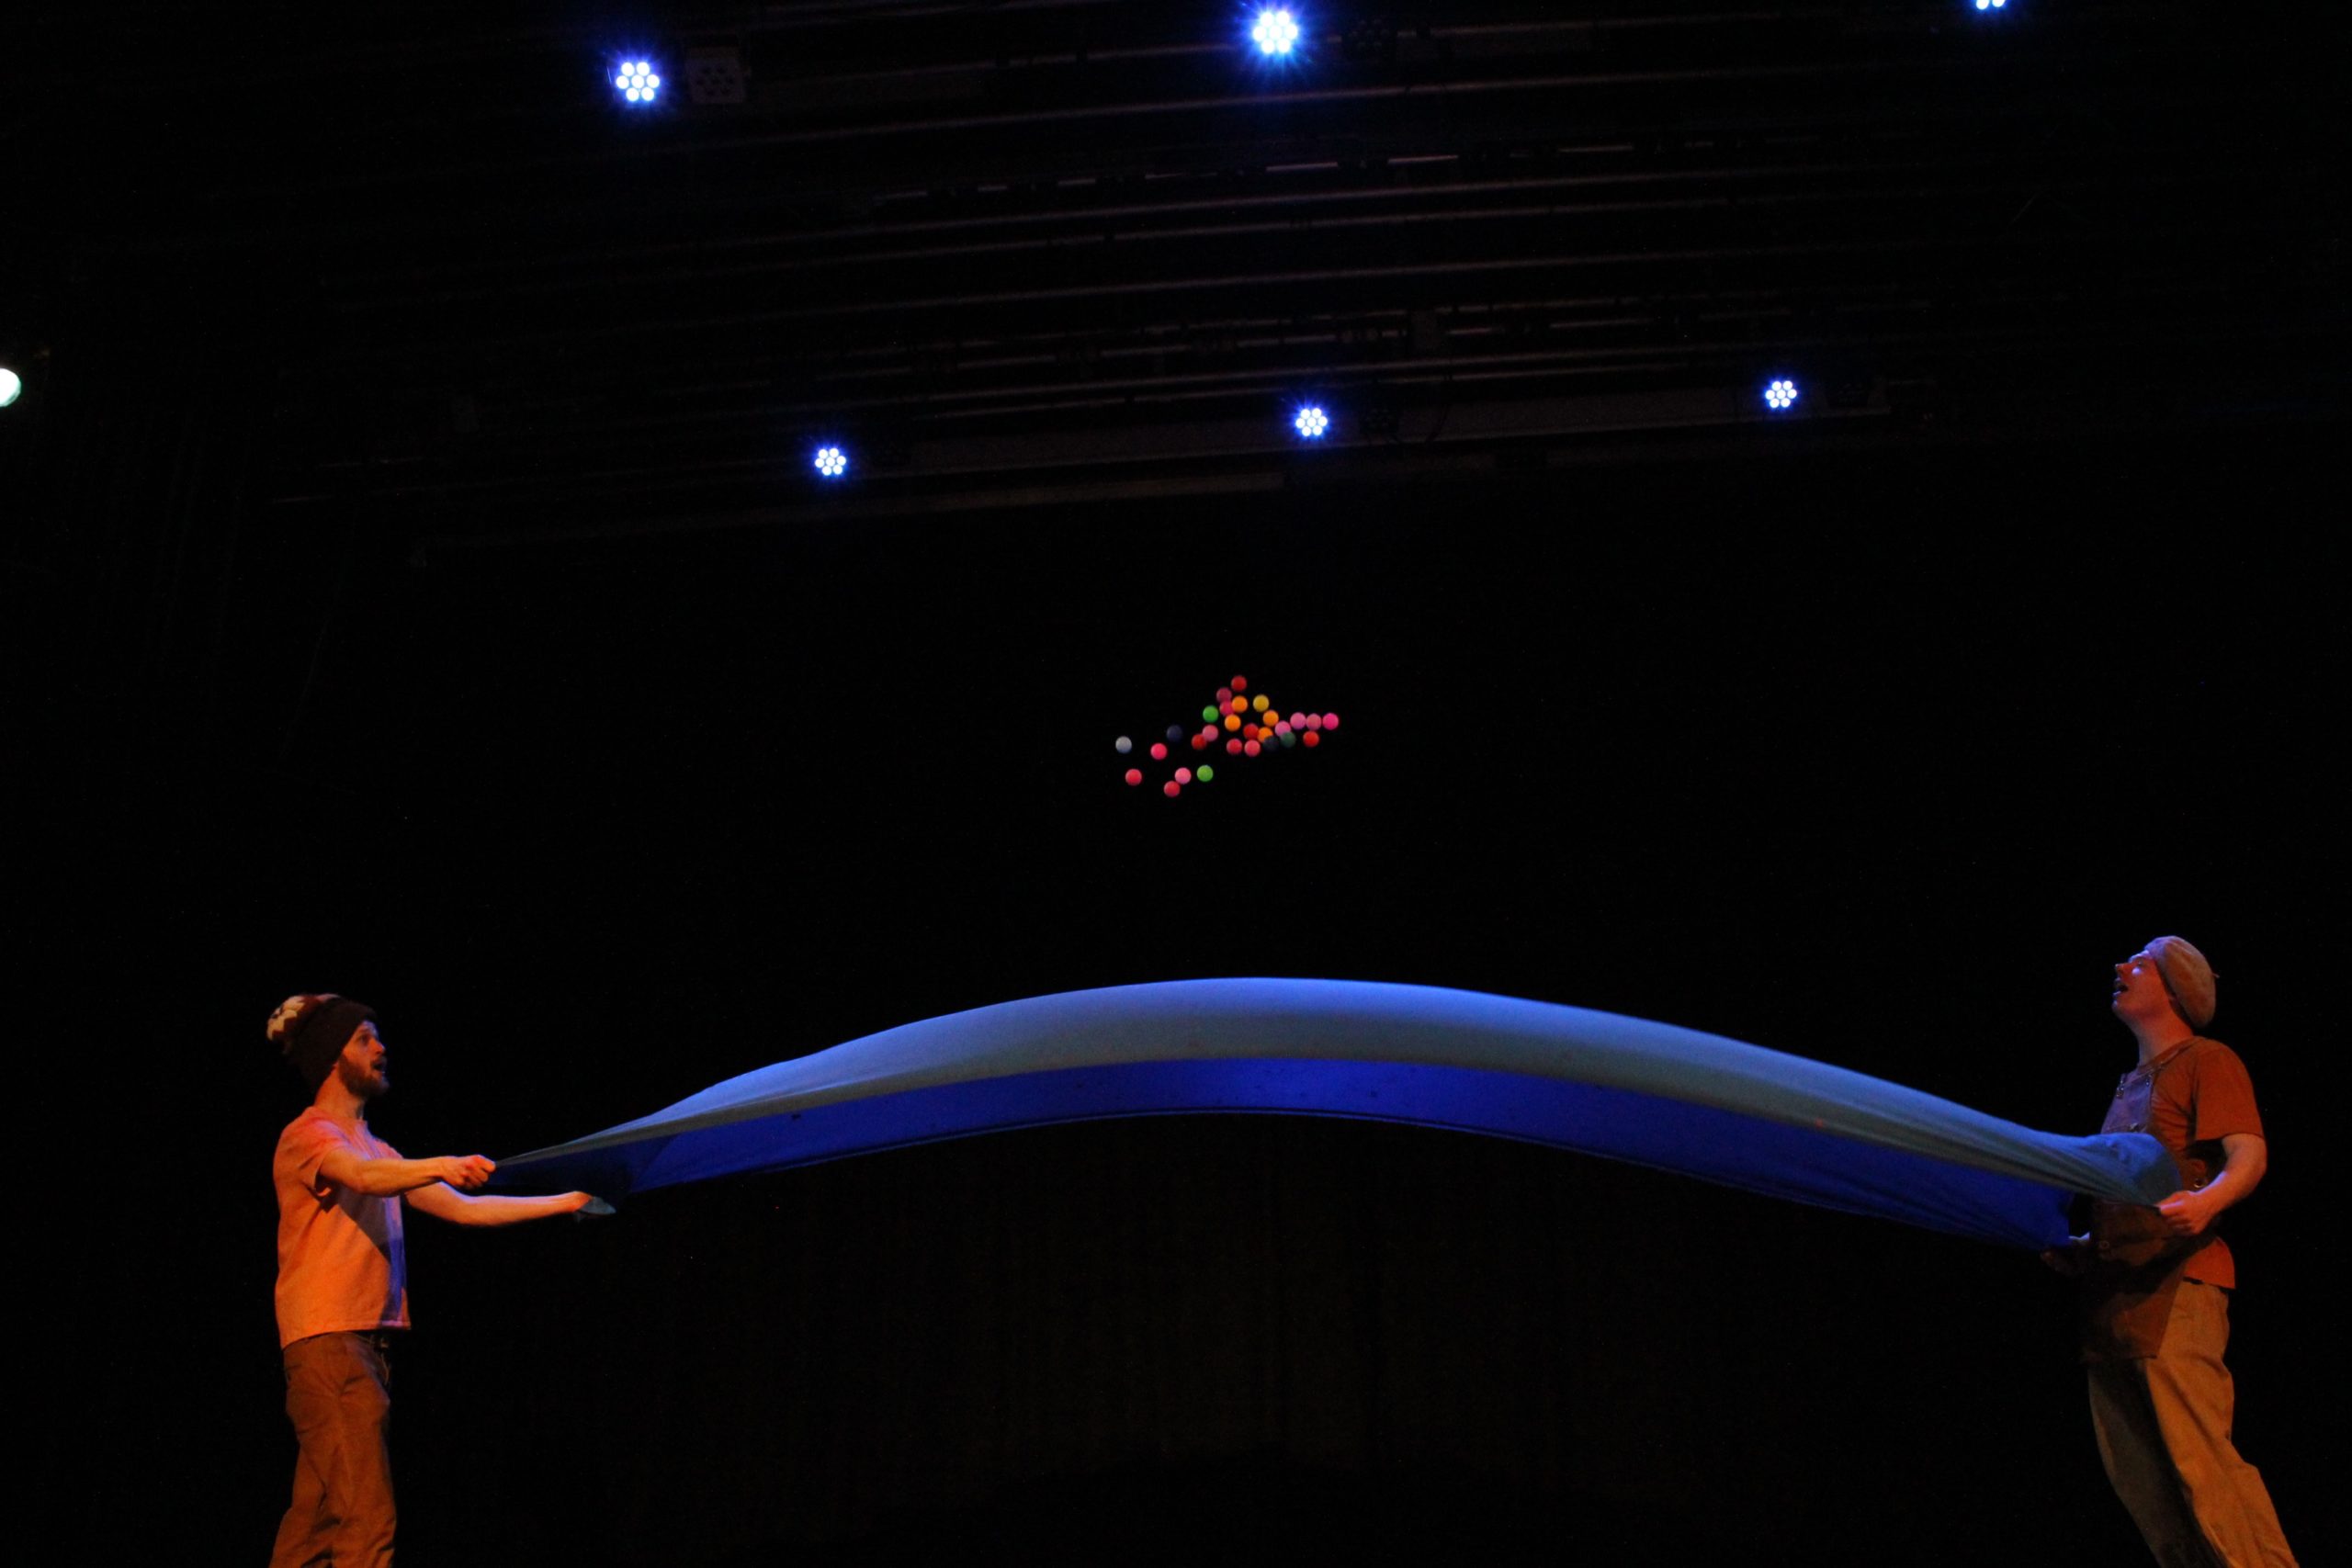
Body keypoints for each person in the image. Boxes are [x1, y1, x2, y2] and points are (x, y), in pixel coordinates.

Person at [266, 992, 596, 1568]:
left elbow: (465, 1209)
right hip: (331, 1345)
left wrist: (568, 1200)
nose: (381, 1047)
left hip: (361, 1347)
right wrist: (441, 1162)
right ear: (330, 1056)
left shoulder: (378, 1147)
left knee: (315, 1526)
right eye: (364, 1038)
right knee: (367, 1522)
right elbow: (363, 1178)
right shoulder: (309, 1135)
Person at [2043, 938, 2296, 1567]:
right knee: (2147, 1486)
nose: (2121, 967)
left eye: (2141, 962)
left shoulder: (2206, 1059)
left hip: (2176, 1286)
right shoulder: (2130, 1085)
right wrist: (2085, 1247)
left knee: (2200, 1467)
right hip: (2112, 1300)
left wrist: (2208, 1201)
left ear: (2176, 990)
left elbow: (2250, 1155)